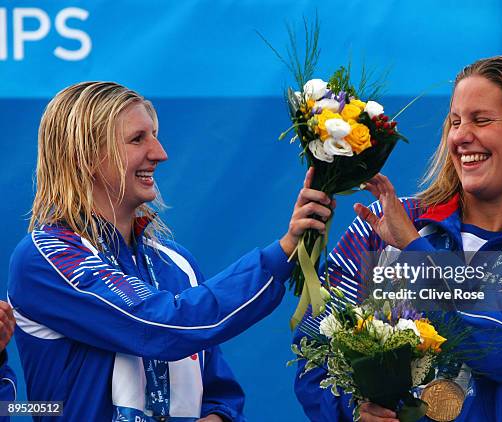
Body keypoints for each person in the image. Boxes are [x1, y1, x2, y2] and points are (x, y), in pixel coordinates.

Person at [293, 55, 502, 421]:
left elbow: (501, 350)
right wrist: (352, 412)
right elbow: (314, 351)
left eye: (482, 120)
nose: (460, 136)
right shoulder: (379, 224)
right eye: (455, 121)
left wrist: (414, 252)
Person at [8, 81, 334, 421]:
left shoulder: (176, 263)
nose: (160, 153)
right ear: (86, 156)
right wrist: (280, 254)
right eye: (138, 139)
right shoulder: (45, 257)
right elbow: (157, 325)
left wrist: (217, 416)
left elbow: (218, 393)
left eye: (154, 135)